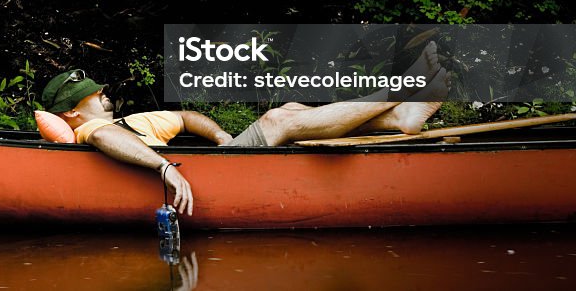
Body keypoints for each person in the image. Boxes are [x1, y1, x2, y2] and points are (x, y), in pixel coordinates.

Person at [41, 42, 448, 216]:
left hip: (222, 157)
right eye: (91, 96)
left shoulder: (130, 121)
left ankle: (397, 119)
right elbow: (105, 138)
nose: (102, 95)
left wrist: (218, 136)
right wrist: (163, 167)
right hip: (203, 174)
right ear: (74, 113)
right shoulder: (90, 131)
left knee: (289, 108)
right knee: (278, 119)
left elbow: (184, 119)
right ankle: (401, 90)